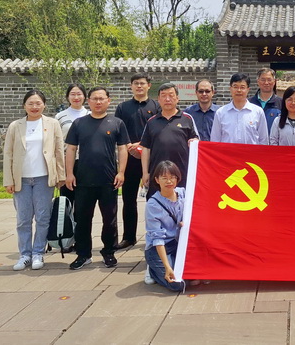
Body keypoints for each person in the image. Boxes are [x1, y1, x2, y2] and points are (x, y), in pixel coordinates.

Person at [65, 87, 130, 270]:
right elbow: (71, 149)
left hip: (109, 179)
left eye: (102, 98)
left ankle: (109, 252)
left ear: (109, 100)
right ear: (89, 101)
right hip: (83, 179)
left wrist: (121, 172)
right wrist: (69, 173)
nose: (98, 102)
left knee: (110, 219)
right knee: (82, 219)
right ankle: (83, 254)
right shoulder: (79, 123)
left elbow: (122, 148)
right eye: (95, 99)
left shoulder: (116, 123)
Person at [3, 89, 65, 271]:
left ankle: (38, 253)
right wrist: (8, 180)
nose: (34, 107)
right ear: (24, 106)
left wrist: (60, 175)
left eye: (38, 103)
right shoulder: (15, 126)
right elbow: (8, 154)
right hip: (21, 178)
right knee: (23, 219)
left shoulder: (52, 124)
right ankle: (25, 254)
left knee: (43, 217)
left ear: (44, 105)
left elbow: (58, 150)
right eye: (30, 103)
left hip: (43, 178)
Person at [113, 73, 160, 250]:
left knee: (154, 199)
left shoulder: (156, 106)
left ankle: (156, 236)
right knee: (128, 199)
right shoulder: (123, 107)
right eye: (135, 83)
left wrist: (142, 144)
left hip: (151, 158)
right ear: (131, 86)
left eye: (142, 83)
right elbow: (118, 131)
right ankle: (129, 237)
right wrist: (128, 146)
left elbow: (159, 131)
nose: (139, 86)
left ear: (149, 85)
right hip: (130, 158)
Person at [141, 82, 199, 195]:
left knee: (181, 203)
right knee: (157, 202)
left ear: (177, 98)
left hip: (182, 173)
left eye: (171, 95)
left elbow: (196, 143)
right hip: (157, 173)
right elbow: (146, 149)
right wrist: (145, 172)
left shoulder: (187, 119)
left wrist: (195, 141)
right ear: (158, 99)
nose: (167, 99)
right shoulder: (151, 121)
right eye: (163, 96)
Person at [144, 160, 186, 292]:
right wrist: (167, 267)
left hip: (178, 244)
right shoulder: (153, 204)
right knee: (177, 284)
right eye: (164, 178)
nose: (169, 181)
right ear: (157, 180)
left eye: (172, 177)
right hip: (158, 248)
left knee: (195, 278)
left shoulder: (183, 193)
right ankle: (153, 270)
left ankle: (171, 261)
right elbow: (157, 238)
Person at [55, 83, 89, 207]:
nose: (76, 97)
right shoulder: (60, 116)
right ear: (67, 97)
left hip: (86, 161)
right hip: (66, 161)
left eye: (79, 94)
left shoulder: (90, 115)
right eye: (72, 94)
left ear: (84, 96)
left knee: (84, 201)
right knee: (67, 200)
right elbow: (56, 141)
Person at [210, 73, 269, 144]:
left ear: (248, 89)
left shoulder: (258, 112)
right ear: (230, 89)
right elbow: (215, 140)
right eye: (235, 87)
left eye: (242, 87)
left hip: (251, 151)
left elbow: (263, 140)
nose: (239, 90)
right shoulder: (221, 113)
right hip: (227, 151)